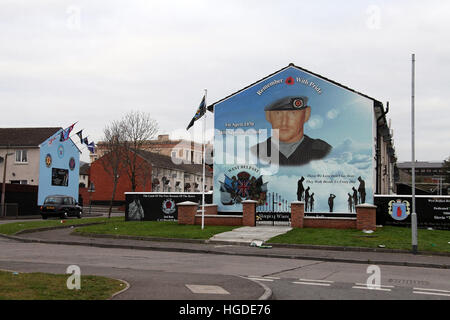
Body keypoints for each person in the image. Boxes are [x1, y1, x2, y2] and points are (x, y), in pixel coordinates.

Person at [251, 96, 332, 166]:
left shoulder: (323, 150)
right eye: (278, 113)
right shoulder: (256, 152)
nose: (284, 122)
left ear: (306, 114)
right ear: (268, 116)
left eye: (293, 113)